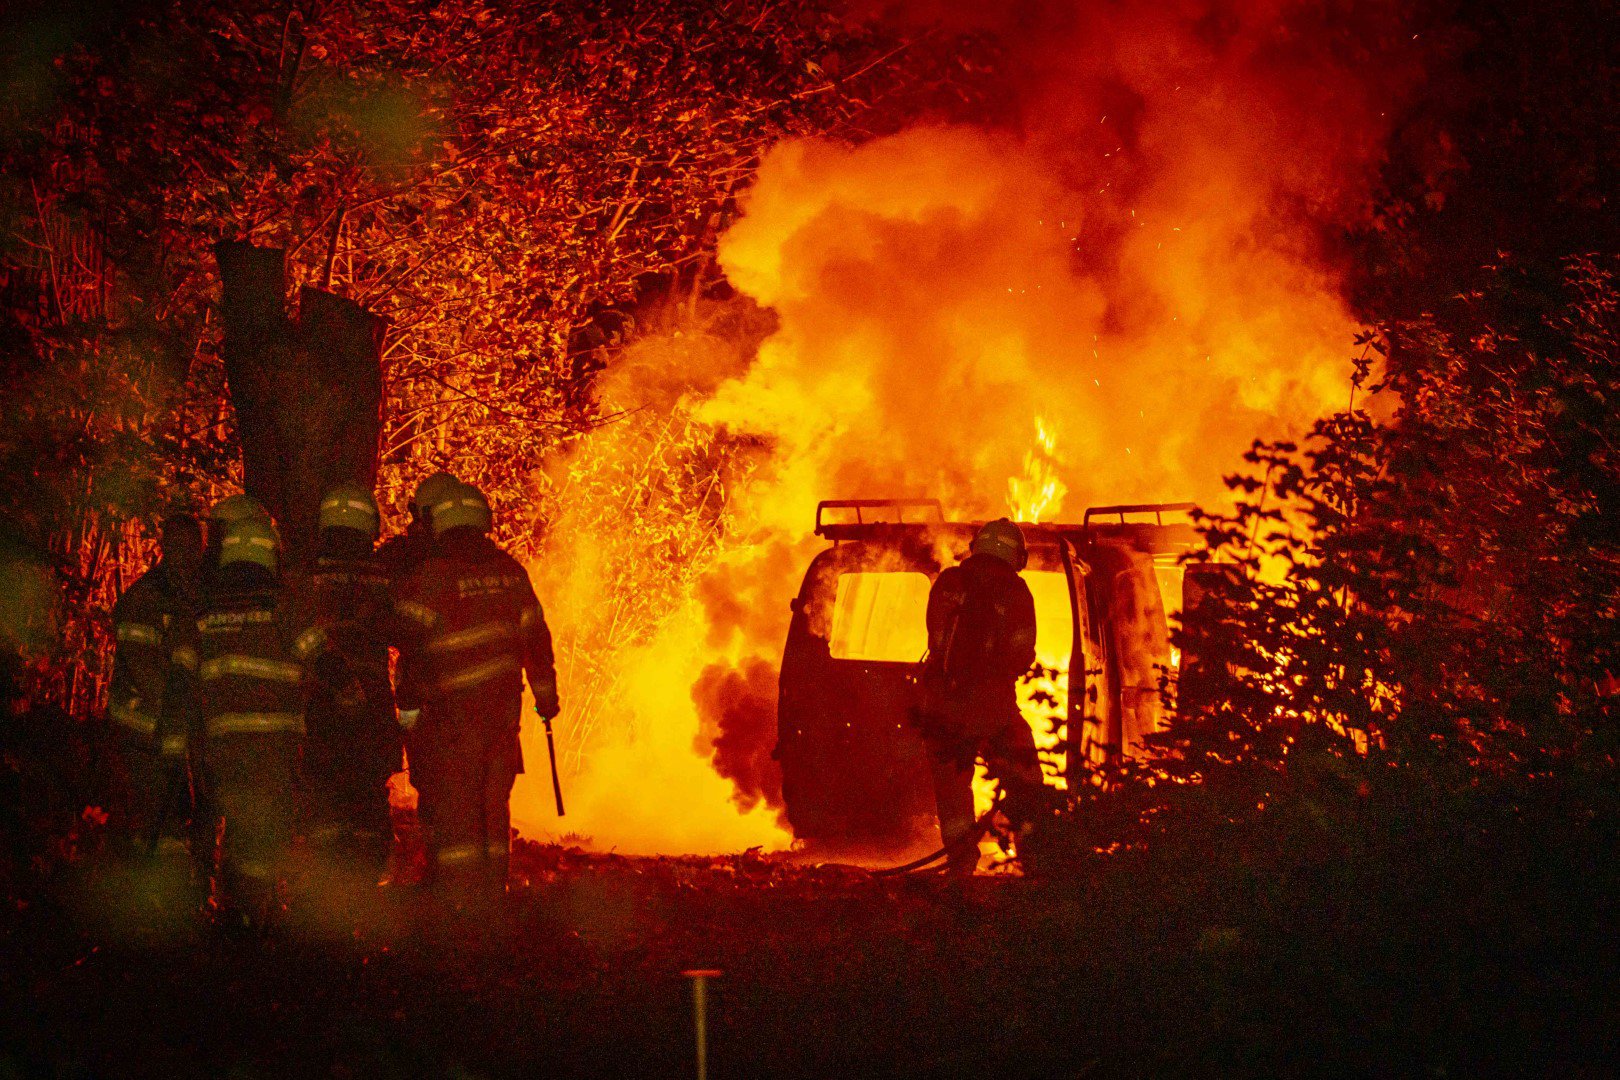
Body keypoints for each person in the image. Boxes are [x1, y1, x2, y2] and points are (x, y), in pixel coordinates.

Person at [391, 481, 559, 904]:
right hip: (502, 719)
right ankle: (493, 894)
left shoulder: (428, 580)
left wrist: (408, 712)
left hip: (450, 721)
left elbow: (408, 647)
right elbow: (535, 639)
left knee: (457, 810)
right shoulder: (510, 572)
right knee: (493, 807)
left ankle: (459, 903)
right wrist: (546, 698)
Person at [183, 513, 309, 930]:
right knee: (266, 825)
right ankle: (255, 915)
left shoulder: (205, 608)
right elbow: (316, 652)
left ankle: (232, 907)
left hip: (221, 739)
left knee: (235, 818)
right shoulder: (282, 605)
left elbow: (185, 669)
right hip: (272, 738)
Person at [919, 518, 1044, 875]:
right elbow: (1022, 653)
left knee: (953, 795)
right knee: (1026, 785)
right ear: (1015, 554)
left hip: (941, 707)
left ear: (977, 546)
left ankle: (961, 867)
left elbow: (936, 640)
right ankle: (1036, 863)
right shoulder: (1014, 590)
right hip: (993, 708)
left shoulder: (948, 582)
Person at [289, 482, 399, 873]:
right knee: (368, 791)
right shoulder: (386, 575)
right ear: (370, 525)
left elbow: (293, 636)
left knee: (324, 789)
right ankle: (368, 881)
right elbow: (403, 630)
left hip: (320, 703)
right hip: (372, 701)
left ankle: (326, 884)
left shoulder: (304, 574)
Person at [106, 514, 202, 854]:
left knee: (175, 817)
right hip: (142, 727)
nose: (189, 557)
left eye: (194, 549)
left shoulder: (192, 598)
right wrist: (182, 713)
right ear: (166, 549)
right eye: (181, 549)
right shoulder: (145, 599)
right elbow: (145, 669)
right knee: (155, 817)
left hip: (171, 729)